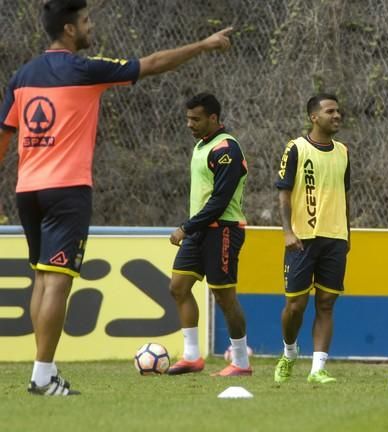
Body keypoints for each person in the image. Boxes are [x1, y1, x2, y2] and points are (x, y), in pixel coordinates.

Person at [0, 0, 233, 396]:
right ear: (70, 29)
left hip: (28, 189)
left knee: (42, 276)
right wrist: (204, 45)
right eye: (87, 21)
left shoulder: (23, 76)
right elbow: (154, 62)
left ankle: (44, 372)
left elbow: (4, 135)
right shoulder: (85, 70)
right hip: (67, 190)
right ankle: (42, 375)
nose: (91, 27)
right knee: (58, 280)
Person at [167, 93, 251, 377]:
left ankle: (241, 362)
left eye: (196, 119)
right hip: (201, 230)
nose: (190, 124)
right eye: (188, 118)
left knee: (224, 297)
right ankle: (192, 356)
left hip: (223, 229)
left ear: (213, 118)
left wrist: (186, 227)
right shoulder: (201, 146)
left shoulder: (226, 149)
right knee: (178, 286)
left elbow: (220, 201)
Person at [273, 94, 350, 384]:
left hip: (335, 237)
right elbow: (283, 191)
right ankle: (289, 353)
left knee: (327, 302)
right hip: (302, 238)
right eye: (330, 111)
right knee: (295, 306)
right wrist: (287, 231)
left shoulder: (343, 151)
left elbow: (346, 196)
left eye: (338, 111)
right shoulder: (296, 148)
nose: (337, 115)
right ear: (314, 117)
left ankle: (318, 369)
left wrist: (348, 233)